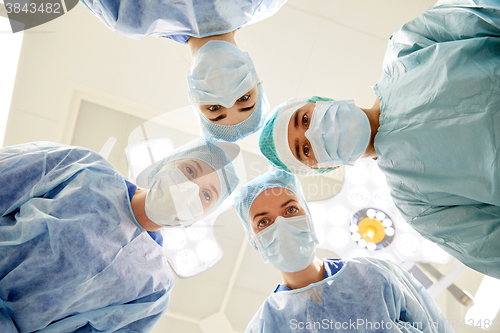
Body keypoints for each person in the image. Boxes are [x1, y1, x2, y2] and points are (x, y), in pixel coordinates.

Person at [257, 0, 500, 278]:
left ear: (320, 102)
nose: (315, 132)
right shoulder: (418, 204)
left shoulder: (411, 47)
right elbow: (492, 248)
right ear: (326, 167)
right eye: (306, 148)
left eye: (304, 119)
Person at [0, 139, 239, 332]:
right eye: (190, 170)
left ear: (201, 216)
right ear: (164, 163)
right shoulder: (83, 167)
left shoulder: (154, 289)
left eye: (207, 195)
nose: (190, 189)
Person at [233, 170, 452, 333]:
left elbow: (435, 326)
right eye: (264, 222)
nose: (281, 226)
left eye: (291, 210)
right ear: (255, 241)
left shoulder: (374, 273)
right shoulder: (264, 326)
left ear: (309, 217)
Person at [80, 0, 285, 141]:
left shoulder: (129, 19)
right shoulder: (264, 3)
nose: (227, 95)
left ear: (193, 97)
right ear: (256, 80)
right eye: (244, 99)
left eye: (214, 108)